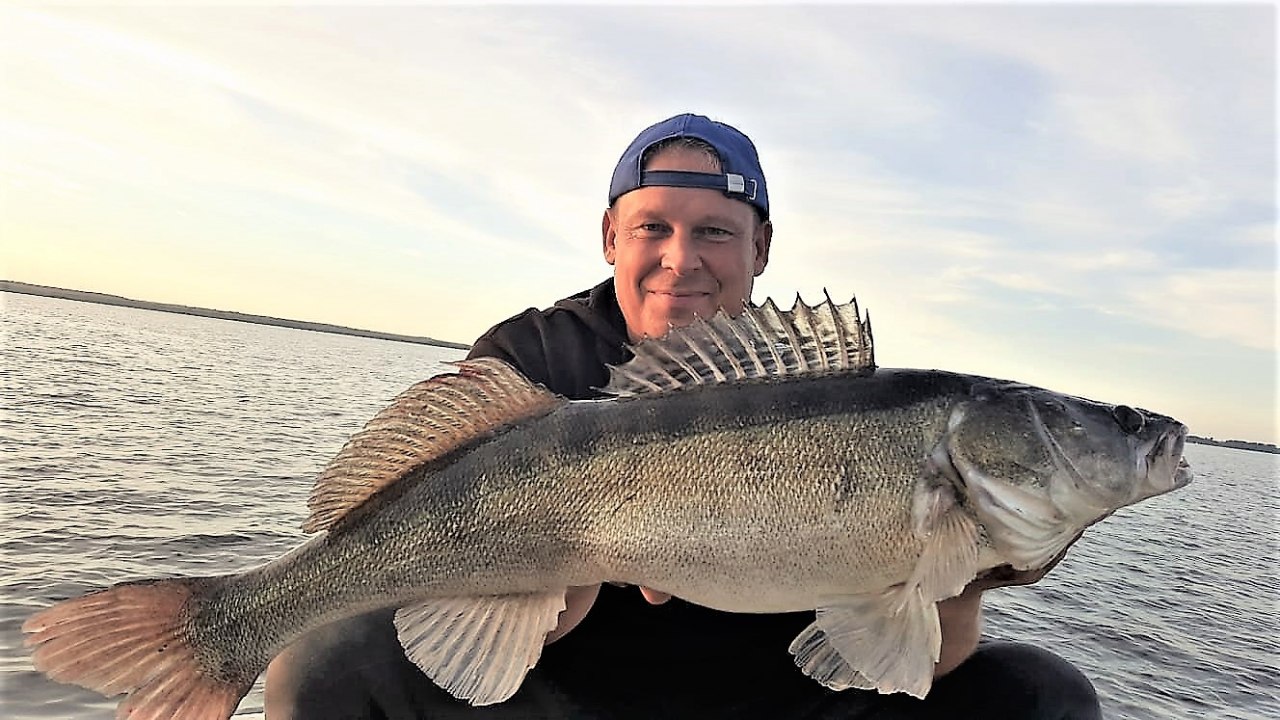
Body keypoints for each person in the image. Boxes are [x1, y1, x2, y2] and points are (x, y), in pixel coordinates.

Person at [265, 113, 1102, 719]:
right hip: (562, 696)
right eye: (652, 228)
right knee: (327, 660)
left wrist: (957, 577)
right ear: (609, 237)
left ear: (761, 249)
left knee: (1043, 694)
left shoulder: (846, 403)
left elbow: (931, 657)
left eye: (715, 232)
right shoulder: (535, 359)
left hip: (780, 696)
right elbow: (500, 631)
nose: (681, 260)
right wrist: (577, 550)